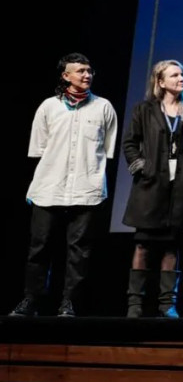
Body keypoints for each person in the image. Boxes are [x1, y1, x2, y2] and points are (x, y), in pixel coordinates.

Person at [10, 53, 117, 318]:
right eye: (80, 71)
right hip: (49, 187)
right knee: (39, 247)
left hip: (86, 188)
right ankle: (31, 299)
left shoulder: (103, 107)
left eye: (89, 70)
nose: (86, 75)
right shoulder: (49, 107)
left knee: (79, 251)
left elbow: (107, 150)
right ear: (65, 76)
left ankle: (69, 302)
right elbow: (39, 149)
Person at [122, 60, 183, 318]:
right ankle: (135, 303)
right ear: (160, 82)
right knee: (143, 244)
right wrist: (142, 167)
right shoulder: (144, 110)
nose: (181, 78)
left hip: (178, 189)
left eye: (182, 74)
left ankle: (167, 304)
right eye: (174, 75)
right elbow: (130, 143)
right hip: (150, 187)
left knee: (172, 246)